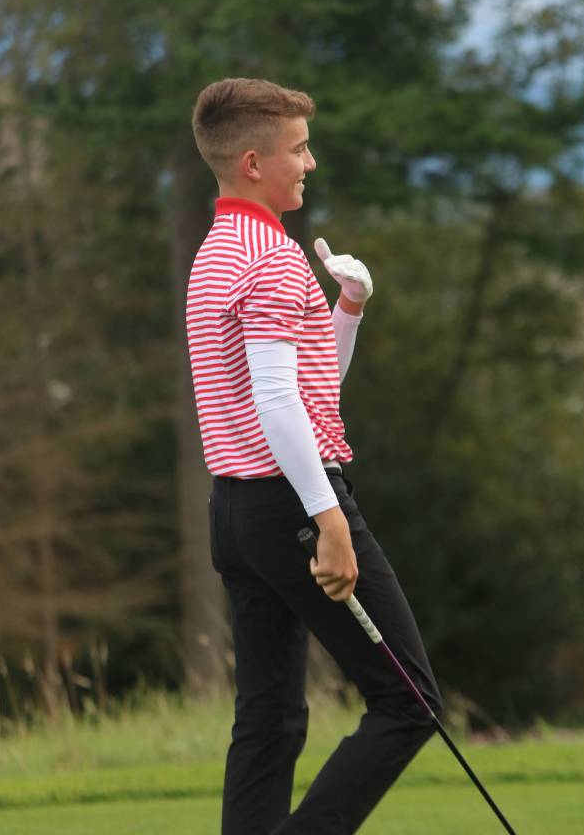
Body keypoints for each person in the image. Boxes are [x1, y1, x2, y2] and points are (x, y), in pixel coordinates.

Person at [186, 77, 441, 835]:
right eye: (299, 150)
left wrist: (347, 309)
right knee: (409, 701)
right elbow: (276, 403)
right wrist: (328, 518)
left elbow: (303, 383)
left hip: (236, 512)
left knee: (269, 717)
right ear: (255, 162)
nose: (312, 163)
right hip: (291, 503)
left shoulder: (216, 250)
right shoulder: (272, 259)